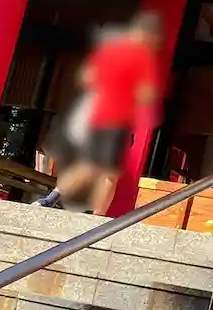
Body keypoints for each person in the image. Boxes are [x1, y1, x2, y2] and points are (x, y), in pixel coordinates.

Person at [49, 11, 162, 216]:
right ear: (148, 34)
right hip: (118, 118)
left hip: (97, 116)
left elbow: (87, 77)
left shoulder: (110, 49)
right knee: (110, 173)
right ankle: (97, 218)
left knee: (89, 164)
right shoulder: (142, 56)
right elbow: (146, 93)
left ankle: (50, 198)